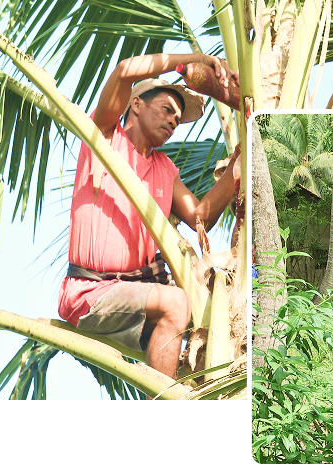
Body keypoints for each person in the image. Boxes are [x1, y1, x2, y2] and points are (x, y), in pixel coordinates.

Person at [56, 52, 240, 396]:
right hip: (89, 293)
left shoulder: (164, 168)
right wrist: (195, 59)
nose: (174, 121)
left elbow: (201, 217)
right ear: (136, 105)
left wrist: (238, 164)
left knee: (203, 310)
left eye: (178, 118)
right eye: (167, 110)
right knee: (176, 303)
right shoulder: (104, 137)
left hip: (138, 297)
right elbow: (124, 71)